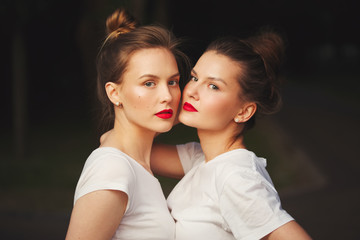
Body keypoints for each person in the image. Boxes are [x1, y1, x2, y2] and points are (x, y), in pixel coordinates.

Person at [150, 30, 312, 239]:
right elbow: (132, 147)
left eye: (213, 86)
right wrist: (168, 114)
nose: (191, 91)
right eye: (194, 77)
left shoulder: (237, 177)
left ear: (243, 112)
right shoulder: (201, 160)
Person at [65, 8, 190, 240]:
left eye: (172, 81)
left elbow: (211, 160)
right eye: (149, 83)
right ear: (114, 93)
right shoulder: (112, 170)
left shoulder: (137, 162)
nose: (167, 95)